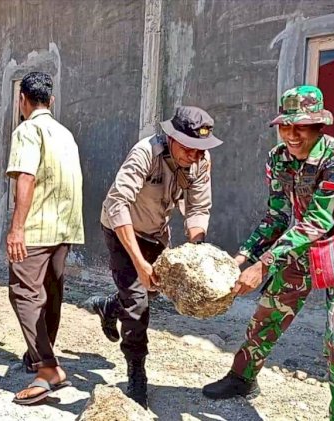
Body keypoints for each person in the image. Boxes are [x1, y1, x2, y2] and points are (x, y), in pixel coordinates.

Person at [202, 86, 334, 421]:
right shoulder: (278, 159)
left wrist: (264, 265)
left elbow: (319, 221)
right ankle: (242, 378)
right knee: (267, 315)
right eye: (286, 126)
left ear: (318, 127)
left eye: (301, 127)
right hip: (302, 247)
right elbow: (278, 216)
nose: (292, 135)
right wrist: (241, 258)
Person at [84, 106, 218, 407]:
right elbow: (118, 204)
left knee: (153, 291)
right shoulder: (146, 152)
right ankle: (136, 371)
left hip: (156, 232)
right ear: (172, 137)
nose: (195, 156)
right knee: (137, 303)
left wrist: (197, 251)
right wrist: (139, 262)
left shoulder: (200, 161)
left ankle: (109, 306)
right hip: (122, 230)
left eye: (201, 150)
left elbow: (198, 209)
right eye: (189, 148)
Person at [6, 71, 84, 405]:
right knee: (50, 294)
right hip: (64, 227)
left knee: (23, 292)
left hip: (37, 226)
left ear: (22, 99)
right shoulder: (65, 133)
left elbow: (26, 177)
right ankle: (40, 356)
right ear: (50, 101)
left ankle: (47, 367)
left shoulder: (27, 129)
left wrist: (17, 227)